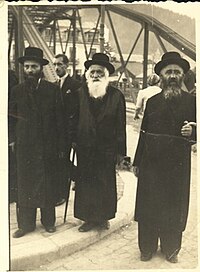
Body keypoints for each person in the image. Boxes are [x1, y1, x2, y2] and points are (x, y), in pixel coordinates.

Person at [132, 51, 196, 263]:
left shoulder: (192, 102)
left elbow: (196, 131)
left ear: (182, 75)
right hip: (152, 162)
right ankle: (147, 247)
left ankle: (171, 248)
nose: (173, 76)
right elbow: (143, 132)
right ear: (161, 75)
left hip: (178, 163)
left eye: (177, 72)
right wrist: (137, 161)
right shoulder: (152, 102)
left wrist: (192, 133)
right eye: (169, 72)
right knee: (149, 204)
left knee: (173, 205)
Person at [9, 47, 65, 238]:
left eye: (34, 66)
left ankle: (48, 222)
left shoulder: (52, 90)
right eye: (27, 67)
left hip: (47, 144)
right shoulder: (16, 91)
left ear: (41, 67)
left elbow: (60, 120)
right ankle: (26, 225)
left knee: (48, 183)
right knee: (25, 183)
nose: (30, 70)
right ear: (23, 68)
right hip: (25, 146)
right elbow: (10, 118)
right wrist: (11, 140)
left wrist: (61, 146)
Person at [74, 53, 127, 232]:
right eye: (93, 72)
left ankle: (103, 218)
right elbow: (73, 119)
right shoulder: (80, 93)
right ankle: (88, 219)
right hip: (85, 147)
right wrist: (73, 141)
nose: (96, 75)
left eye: (99, 72)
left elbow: (121, 126)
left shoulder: (116, 95)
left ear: (106, 74)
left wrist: (121, 154)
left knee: (104, 184)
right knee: (86, 183)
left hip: (106, 149)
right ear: (88, 74)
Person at [53, 54, 81, 206]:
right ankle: (78, 176)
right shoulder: (54, 84)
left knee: (62, 161)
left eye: (59, 64)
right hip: (58, 132)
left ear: (66, 66)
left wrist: (75, 136)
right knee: (60, 161)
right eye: (55, 64)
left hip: (70, 132)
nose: (56, 68)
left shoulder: (75, 85)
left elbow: (78, 112)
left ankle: (62, 194)